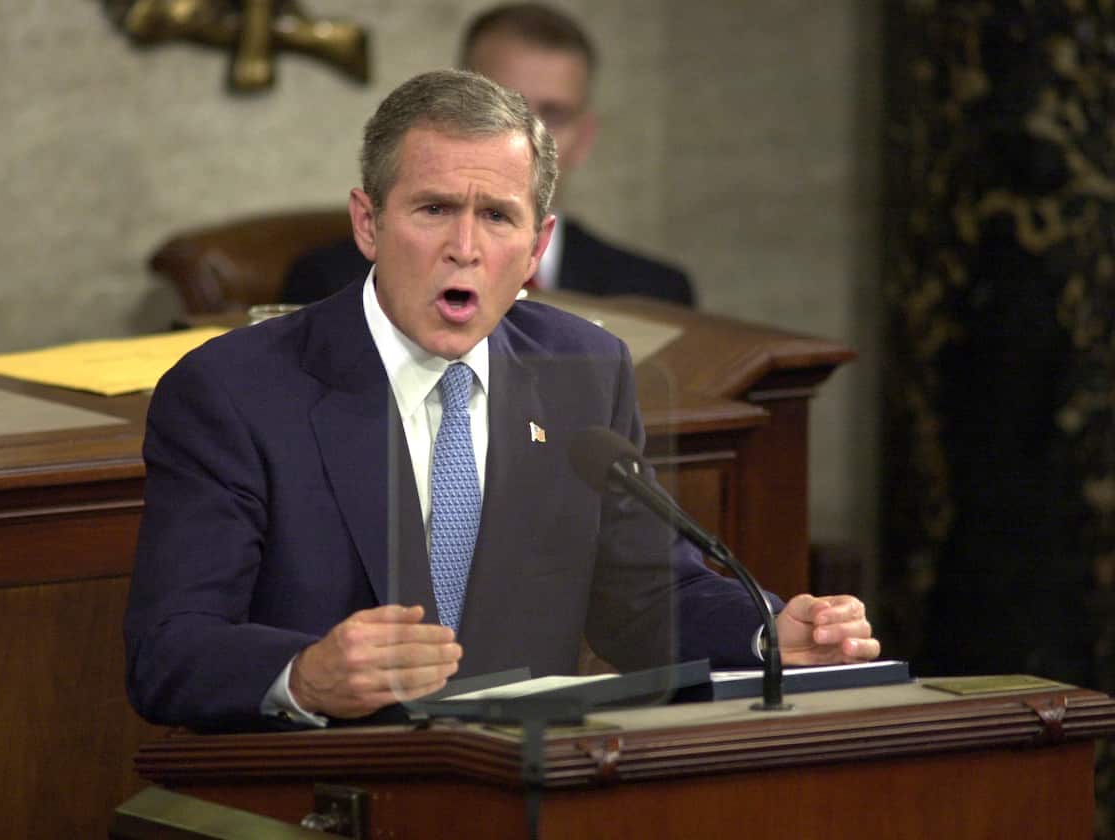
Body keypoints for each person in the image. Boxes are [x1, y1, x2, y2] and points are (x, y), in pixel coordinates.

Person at [124, 69, 878, 731]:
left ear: (535, 242)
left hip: (516, 781)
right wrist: (306, 672)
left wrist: (769, 631)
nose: (465, 247)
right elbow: (172, 650)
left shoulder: (582, 368)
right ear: (368, 223)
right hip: (319, 782)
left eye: (497, 217)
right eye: (433, 210)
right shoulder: (233, 392)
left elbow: (646, 595)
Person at [281, 2, 696, 307]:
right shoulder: (330, 281)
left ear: (584, 137)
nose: (527, 137)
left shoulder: (655, 293)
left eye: (554, 114)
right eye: (502, 107)